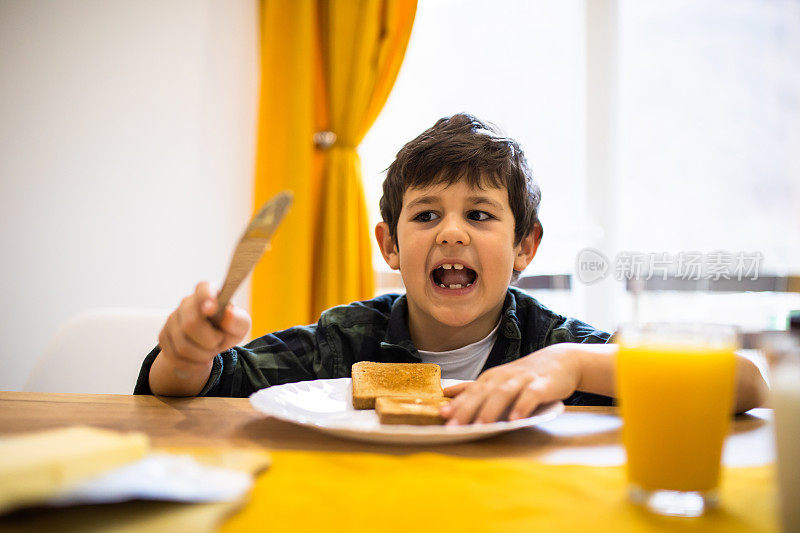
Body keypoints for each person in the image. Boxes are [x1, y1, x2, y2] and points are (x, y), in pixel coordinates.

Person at [135, 113, 767, 424]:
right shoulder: (343, 341)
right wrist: (187, 352)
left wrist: (570, 365)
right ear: (389, 245)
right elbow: (198, 390)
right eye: (427, 215)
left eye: (483, 216)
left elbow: (742, 383)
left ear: (525, 248)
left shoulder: (554, 345)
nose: (454, 232)